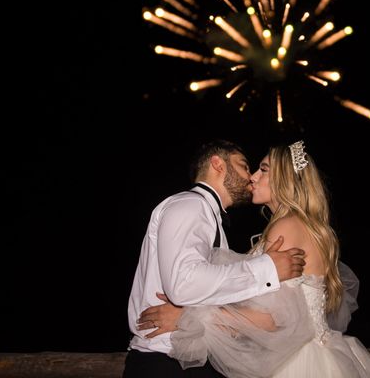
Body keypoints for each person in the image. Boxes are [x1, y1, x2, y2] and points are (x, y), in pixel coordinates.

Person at [138, 141, 370, 377]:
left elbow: (274, 319)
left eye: (263, 169)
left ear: (285, 179)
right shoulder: (299, 226)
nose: (253, 177)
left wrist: (187, 318)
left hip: (295, 362)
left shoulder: (287, 228)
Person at [123, 139, 307, 378]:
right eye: (243, 165)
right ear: (218, 164)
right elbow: (184, 283)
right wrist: (266, 268)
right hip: (166, 361)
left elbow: (213, 290)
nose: (250, 176)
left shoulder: (206, 214)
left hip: (184, 360)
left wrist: (184, 317)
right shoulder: (190, 206)